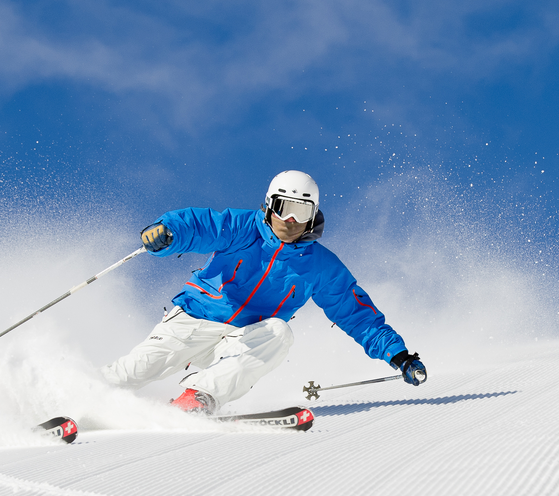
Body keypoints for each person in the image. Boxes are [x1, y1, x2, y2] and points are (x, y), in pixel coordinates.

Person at [102, 170, 426, 413]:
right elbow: (202, 225)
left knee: (280, 332)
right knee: (135, 370)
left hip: (242, 341)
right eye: (284, 207)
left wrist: (398, 356)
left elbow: (355, 313)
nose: (290, 220)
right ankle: (76, 397)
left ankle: (197, 398)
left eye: (302, 212)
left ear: (313, 217)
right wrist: (168, 232)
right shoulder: (243, 228)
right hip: (195, 319)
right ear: (270, 206)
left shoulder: (319, 265)